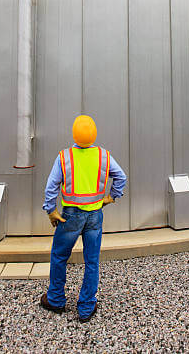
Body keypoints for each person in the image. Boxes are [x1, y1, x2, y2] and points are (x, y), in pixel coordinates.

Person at [40, 114, 127, 322]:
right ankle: (86, 307)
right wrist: (111, 197)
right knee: (92, 261)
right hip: (95, 216)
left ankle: (56, 300)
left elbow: (51, 186)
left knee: (60, 256)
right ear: (94, 133)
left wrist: (51, 210)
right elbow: (121, 177)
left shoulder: (64, 157)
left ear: (74, 134)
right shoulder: (104, 156)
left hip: (70, 216)